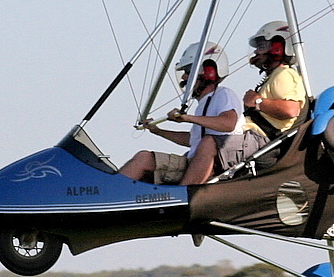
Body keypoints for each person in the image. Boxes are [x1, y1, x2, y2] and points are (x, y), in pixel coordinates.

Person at [118, 42, 266, 185]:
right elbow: (193, 139)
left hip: (216, 162)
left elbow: (228, 124)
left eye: (188, 72)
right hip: (193, 161)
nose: (184, 77)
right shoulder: (202, 104)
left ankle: (184, 195)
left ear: (208, 72)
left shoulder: (223, 94)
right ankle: (110, 192)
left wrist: (187, 118)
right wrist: (158, 131)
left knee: (205, 142)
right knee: (144, 158)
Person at [243, 21, 308, 139]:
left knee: (210, 142)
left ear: (277, 48)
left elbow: (291, 110)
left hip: (261, 137)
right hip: (252, 135)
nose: (256, 52)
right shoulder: (275, 75)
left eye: (261, 47)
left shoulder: (284, 74)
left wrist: (257, 101)